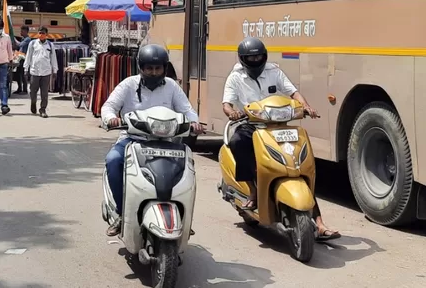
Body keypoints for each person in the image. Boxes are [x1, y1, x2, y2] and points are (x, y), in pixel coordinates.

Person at [223, 37, 340, 241]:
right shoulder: (235, 77)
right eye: (250, 57)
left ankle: (319, 223)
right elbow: (227, 103)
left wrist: (307, 107)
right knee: (237, 142)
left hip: (277, 124)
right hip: (251, 124)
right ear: (243, 59)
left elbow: (293, 92)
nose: (255, 60)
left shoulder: (274, 71)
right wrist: (232, 112)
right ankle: (253, 190)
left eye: (258, 56)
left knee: (297, 166)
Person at [100, 44, 203, 236]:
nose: (153, 73)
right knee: (113, 161)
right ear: (141, 68)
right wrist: (110, 118)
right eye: (149, 68)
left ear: (165, 68)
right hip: (133, 139)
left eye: (157, 69)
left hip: (167, 142)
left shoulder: (172, 86)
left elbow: (187, 110)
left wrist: (194, 123)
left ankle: (182, 216)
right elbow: (109, 106)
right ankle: (122, 213)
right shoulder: (128, 85)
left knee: (187, 170)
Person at [23, 27, 56, 118]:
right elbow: (28, 57)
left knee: (44, 93)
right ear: (38, 34)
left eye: (43, 33)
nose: (41, 35)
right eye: (40, 33)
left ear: (46, 35)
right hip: (35, 72)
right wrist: (26, 69)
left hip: (46, 72)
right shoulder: (32, 43)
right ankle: (33, 103)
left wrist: (55, 70)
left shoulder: (50, 45)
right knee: (33, 91)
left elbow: (53, 59)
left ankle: (43, 109)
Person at [12, 25, 30, 95]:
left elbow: (20, 45)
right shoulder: (23, 38)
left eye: (22, 31)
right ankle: (19, 88)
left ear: (26, 32)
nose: (21, 33)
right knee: (18, 74)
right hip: (19, 58)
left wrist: (14, 39)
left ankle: (25, 90)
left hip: (24, 59)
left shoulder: (27, 39)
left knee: (23, 74)